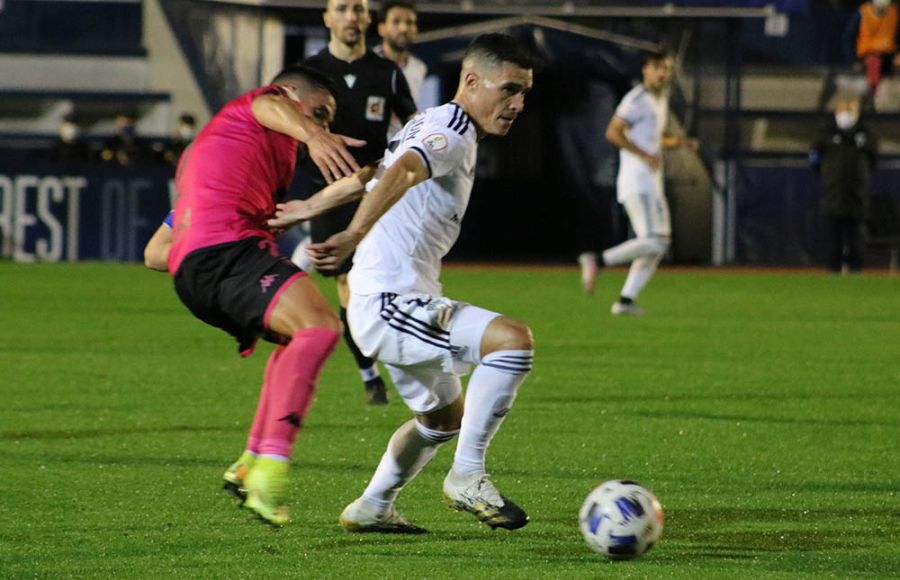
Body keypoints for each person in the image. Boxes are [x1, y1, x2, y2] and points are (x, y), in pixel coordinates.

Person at [270, 32, 537, 534]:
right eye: (508, 90)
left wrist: (311, 206)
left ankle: (373, 506)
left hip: (399, 298)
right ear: (473, 80)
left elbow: (376, 170)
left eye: (524, 92)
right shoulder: (452, 131)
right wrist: (353, 231)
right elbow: (406, 170)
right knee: (512, 342)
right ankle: (468, 475)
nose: (518, 104)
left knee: (442, 419)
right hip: (388, 300)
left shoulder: (434, 121)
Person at [165, 64, 369, 527]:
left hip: (197, 267)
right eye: (320, 113)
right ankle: (271, 470)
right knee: (319, 329)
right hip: (228, 251)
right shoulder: (260, 106)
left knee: (296, 337)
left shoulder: (223, 152)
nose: (323, 127)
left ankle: (250, 462)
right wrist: (313, 135)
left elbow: (157, 251)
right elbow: (268, 103)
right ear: (293, 93)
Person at [295, 0, 417, 405]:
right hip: (328, 195)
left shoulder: (387, 74)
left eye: (359, 9)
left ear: (369, 20)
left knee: (390, 283)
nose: (352, 15)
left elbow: (414, 127)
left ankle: (399, 364)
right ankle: (371, 376)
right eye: (343, 8)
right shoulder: (306, 74)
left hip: (376, 191)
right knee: (351, 287)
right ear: (327, 17)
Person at [580, 50, 698, 315]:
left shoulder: (660, 98)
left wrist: (679, 142)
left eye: (667, 68)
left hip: (651, 182)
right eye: (658, 67)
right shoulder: (637, 98)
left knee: (659, 243)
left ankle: (625, 301)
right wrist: (644, 154)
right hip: (638, 180)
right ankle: (597, 260)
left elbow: (655, 137)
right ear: (645, 69)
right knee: (655, 241)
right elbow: (613, 132)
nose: (663, 73)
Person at [810, 96, 878, 273]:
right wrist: (828, 177)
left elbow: (873, 159)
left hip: (857, 194)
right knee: (834, 238)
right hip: (833, 193)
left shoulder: (865, 133)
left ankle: (856, 271)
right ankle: (833, 270)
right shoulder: (826, 133)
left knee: (856, 237)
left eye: (850, 111)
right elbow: (814, 159)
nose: (846, 115)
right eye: (843, 111)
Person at [375, 0, 428, 138]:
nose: (403, 28)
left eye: (409, 22)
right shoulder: (366, 63)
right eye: (396, 22)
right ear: (381, 28)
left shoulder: (419, 68)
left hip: (403, 146)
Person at [846, 0, 900, 100]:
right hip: (867, 54)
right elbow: (848, 38)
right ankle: (871, 94)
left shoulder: (894, 12)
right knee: (874, 61)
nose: (882, 10)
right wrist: (853, 61)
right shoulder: (862, 13)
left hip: (888, 54)